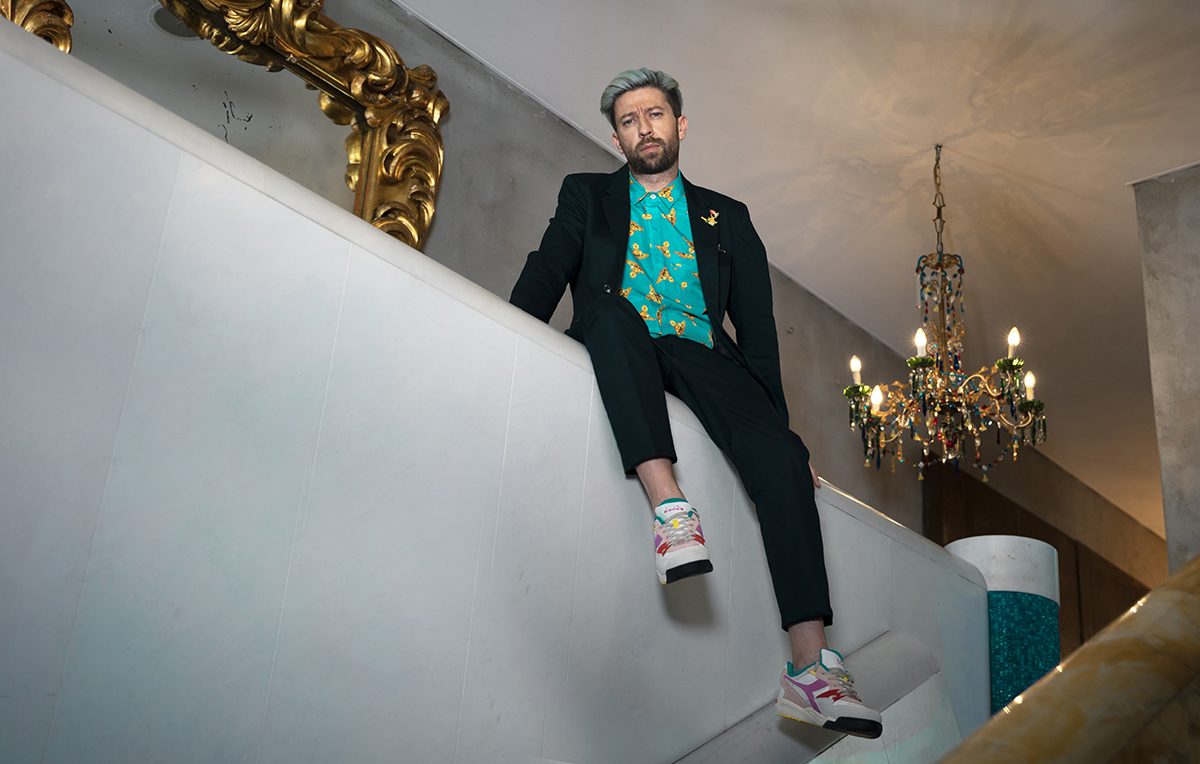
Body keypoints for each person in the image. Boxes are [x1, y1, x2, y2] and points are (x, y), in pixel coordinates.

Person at [510, 68, 882, 739]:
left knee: (782, 459)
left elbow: (758, 332)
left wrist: (778, 429)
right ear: (617, 138)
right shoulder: (587, 194)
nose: (643, 128)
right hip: (620, 334)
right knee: (608, 312)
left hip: (702, 352)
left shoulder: (727, 215)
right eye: (629, 120)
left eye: (654, 114)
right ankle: (671, 511)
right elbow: (548, 265)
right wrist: (508, 333)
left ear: (680, 125)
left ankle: (811, 669)